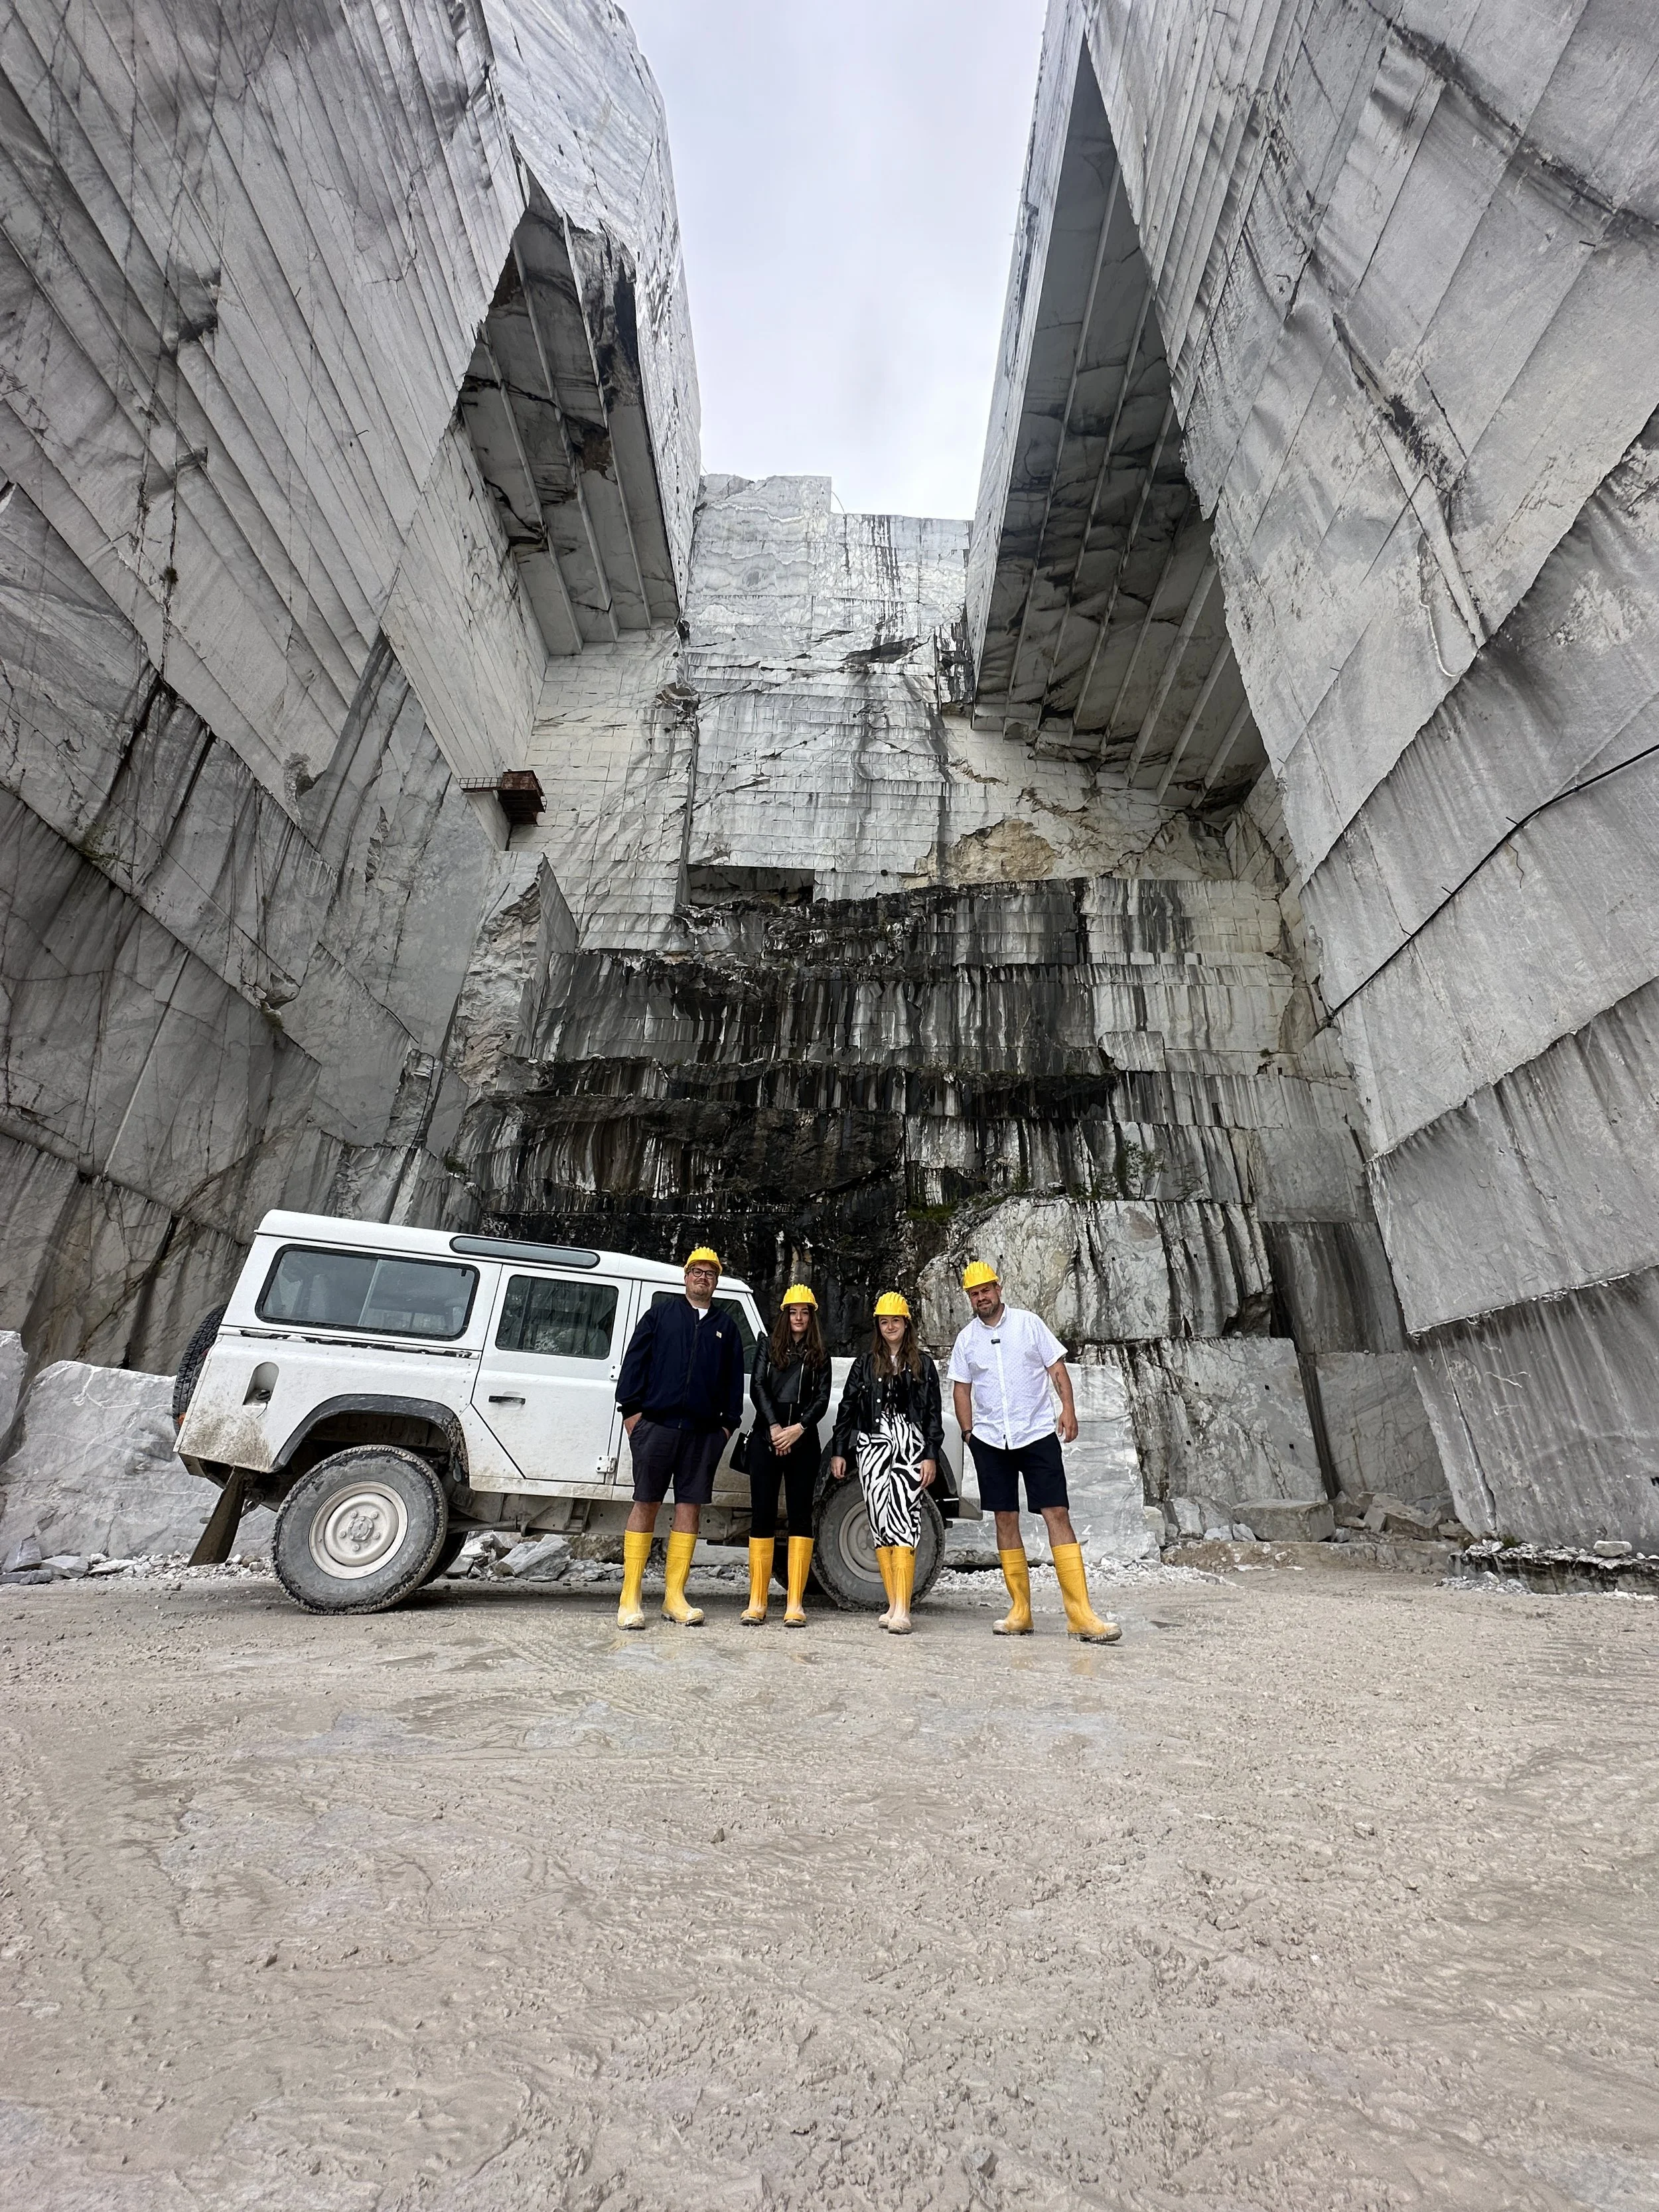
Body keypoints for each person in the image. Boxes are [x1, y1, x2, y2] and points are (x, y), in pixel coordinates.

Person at [947, 1260, 1121, 1643]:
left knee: (1056, 1511)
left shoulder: (1029, 1324)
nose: (982, 1298)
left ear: (998, 1287)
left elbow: (1057, 1369)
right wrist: (968, 1433)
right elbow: (961, 1388)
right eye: (974, 1294)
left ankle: (1080, 1615)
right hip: (991, 1440)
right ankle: (1020, 1612)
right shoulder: (966, 1340)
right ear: (970, 1298)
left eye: (986, 1290)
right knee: (1004, 1519)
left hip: (1037, 1433)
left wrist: (1069, 1410)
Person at [613, 1244, 745, 1629]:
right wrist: (633, 1414)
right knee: (646, 1502)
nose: (703, 1277)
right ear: (685, 1276)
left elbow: (733, 1380)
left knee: (690, 1508)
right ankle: (630, 1598)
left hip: (703, 1434)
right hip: (657, 1427)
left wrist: (726, 1426)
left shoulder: (727, 1326)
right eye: (697, 1271)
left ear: (717, 1281)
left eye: (710, 1272)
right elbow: (634, 1364)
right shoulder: (660, 1315)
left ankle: (675, 1598)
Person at [829, 1292, 942, 1635]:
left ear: (906, 1324)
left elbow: (933, 1413)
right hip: (873, 1446)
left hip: (910, 1445)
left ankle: (904, 1610)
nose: (890, 1326)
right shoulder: (865, 1364)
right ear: (878, 1326)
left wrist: (930, 1455)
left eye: (895, 1320)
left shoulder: (922, 1363)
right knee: (879, 1522)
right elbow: (847, 1408)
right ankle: (892, 1604)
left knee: (906, 1521)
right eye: (884, 1321)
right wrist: (839, 1450)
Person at [742, 1284, 832, 1627]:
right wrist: (776, 1427)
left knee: (800, 1516)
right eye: (793, 1312)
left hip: (803, 1440)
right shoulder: (768, 1345)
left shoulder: (820, 1352)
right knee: (762, 1514)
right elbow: (758, 1387)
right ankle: (758, 1600)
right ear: (785, 1315)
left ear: (812, 1317)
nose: (798, 1318)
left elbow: (822, 1398)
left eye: (804, 1312)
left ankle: (795, 1602)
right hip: (769, 1435)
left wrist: (799, 1428)